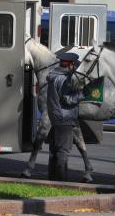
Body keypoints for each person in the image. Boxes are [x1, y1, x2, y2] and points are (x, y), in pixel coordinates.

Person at [46, 52, 85, 181]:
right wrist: (83, 94)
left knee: (55, 149)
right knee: (63, 150)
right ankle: (61, 181)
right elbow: (68, 100)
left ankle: (52, 178)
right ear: (71, 65)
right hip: (65, 118)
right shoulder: (64, 79)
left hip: (56, 117)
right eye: (74, 65)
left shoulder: (54, 75)